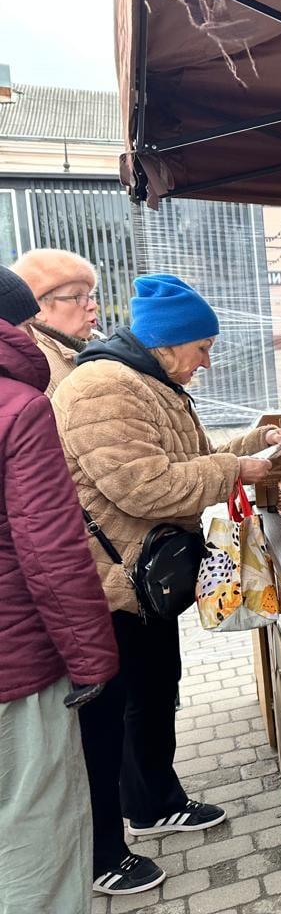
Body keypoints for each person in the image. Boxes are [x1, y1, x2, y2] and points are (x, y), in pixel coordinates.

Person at [52, 273, 281, 895]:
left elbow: (189, 457)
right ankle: (105, 851)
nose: (207, 361)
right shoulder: (103, 388)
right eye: (202, 347)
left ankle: (155, 802)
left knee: (156, 693)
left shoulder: (148, 381)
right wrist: (236, 469)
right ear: (168, 341)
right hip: (110, 584)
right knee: (115, 714)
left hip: (142, 579)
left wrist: (254, 446)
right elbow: (144, 484)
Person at [0, 266, 119, 914]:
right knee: (35, 844)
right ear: (26, 319)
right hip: (16, 672)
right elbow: (49, 551)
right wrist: (94, 660)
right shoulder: (20, 406)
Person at [12, 248, 101, 395]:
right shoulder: (36, 366)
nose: (92, 305)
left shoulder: (95, 342)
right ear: (38, 310)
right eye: (78, 296)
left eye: (90, 295)